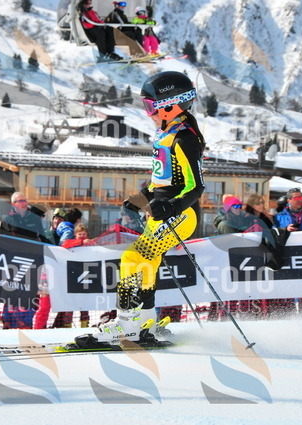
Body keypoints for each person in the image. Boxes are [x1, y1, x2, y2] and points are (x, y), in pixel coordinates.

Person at [79, 71, 204, 346]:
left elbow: (195, 187)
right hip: (162, 213)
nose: (149, 113)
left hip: (182, 214)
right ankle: (146, 322)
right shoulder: (166, 134)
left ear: (171, 105)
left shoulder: (185, 138)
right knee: (148, 262)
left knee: (131, 258)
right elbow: (161, 180)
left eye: (150, 106)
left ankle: (126, 325)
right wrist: (138, 199)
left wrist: (171, 206)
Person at [273, 189, 302, 315]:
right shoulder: (279, 216)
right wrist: (285, 229)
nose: (299, 200)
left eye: (301, 198)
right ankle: (295, 308)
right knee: (293, 280)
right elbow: (274, 232)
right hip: (288, 252)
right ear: (289, 200)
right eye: (296, 198)